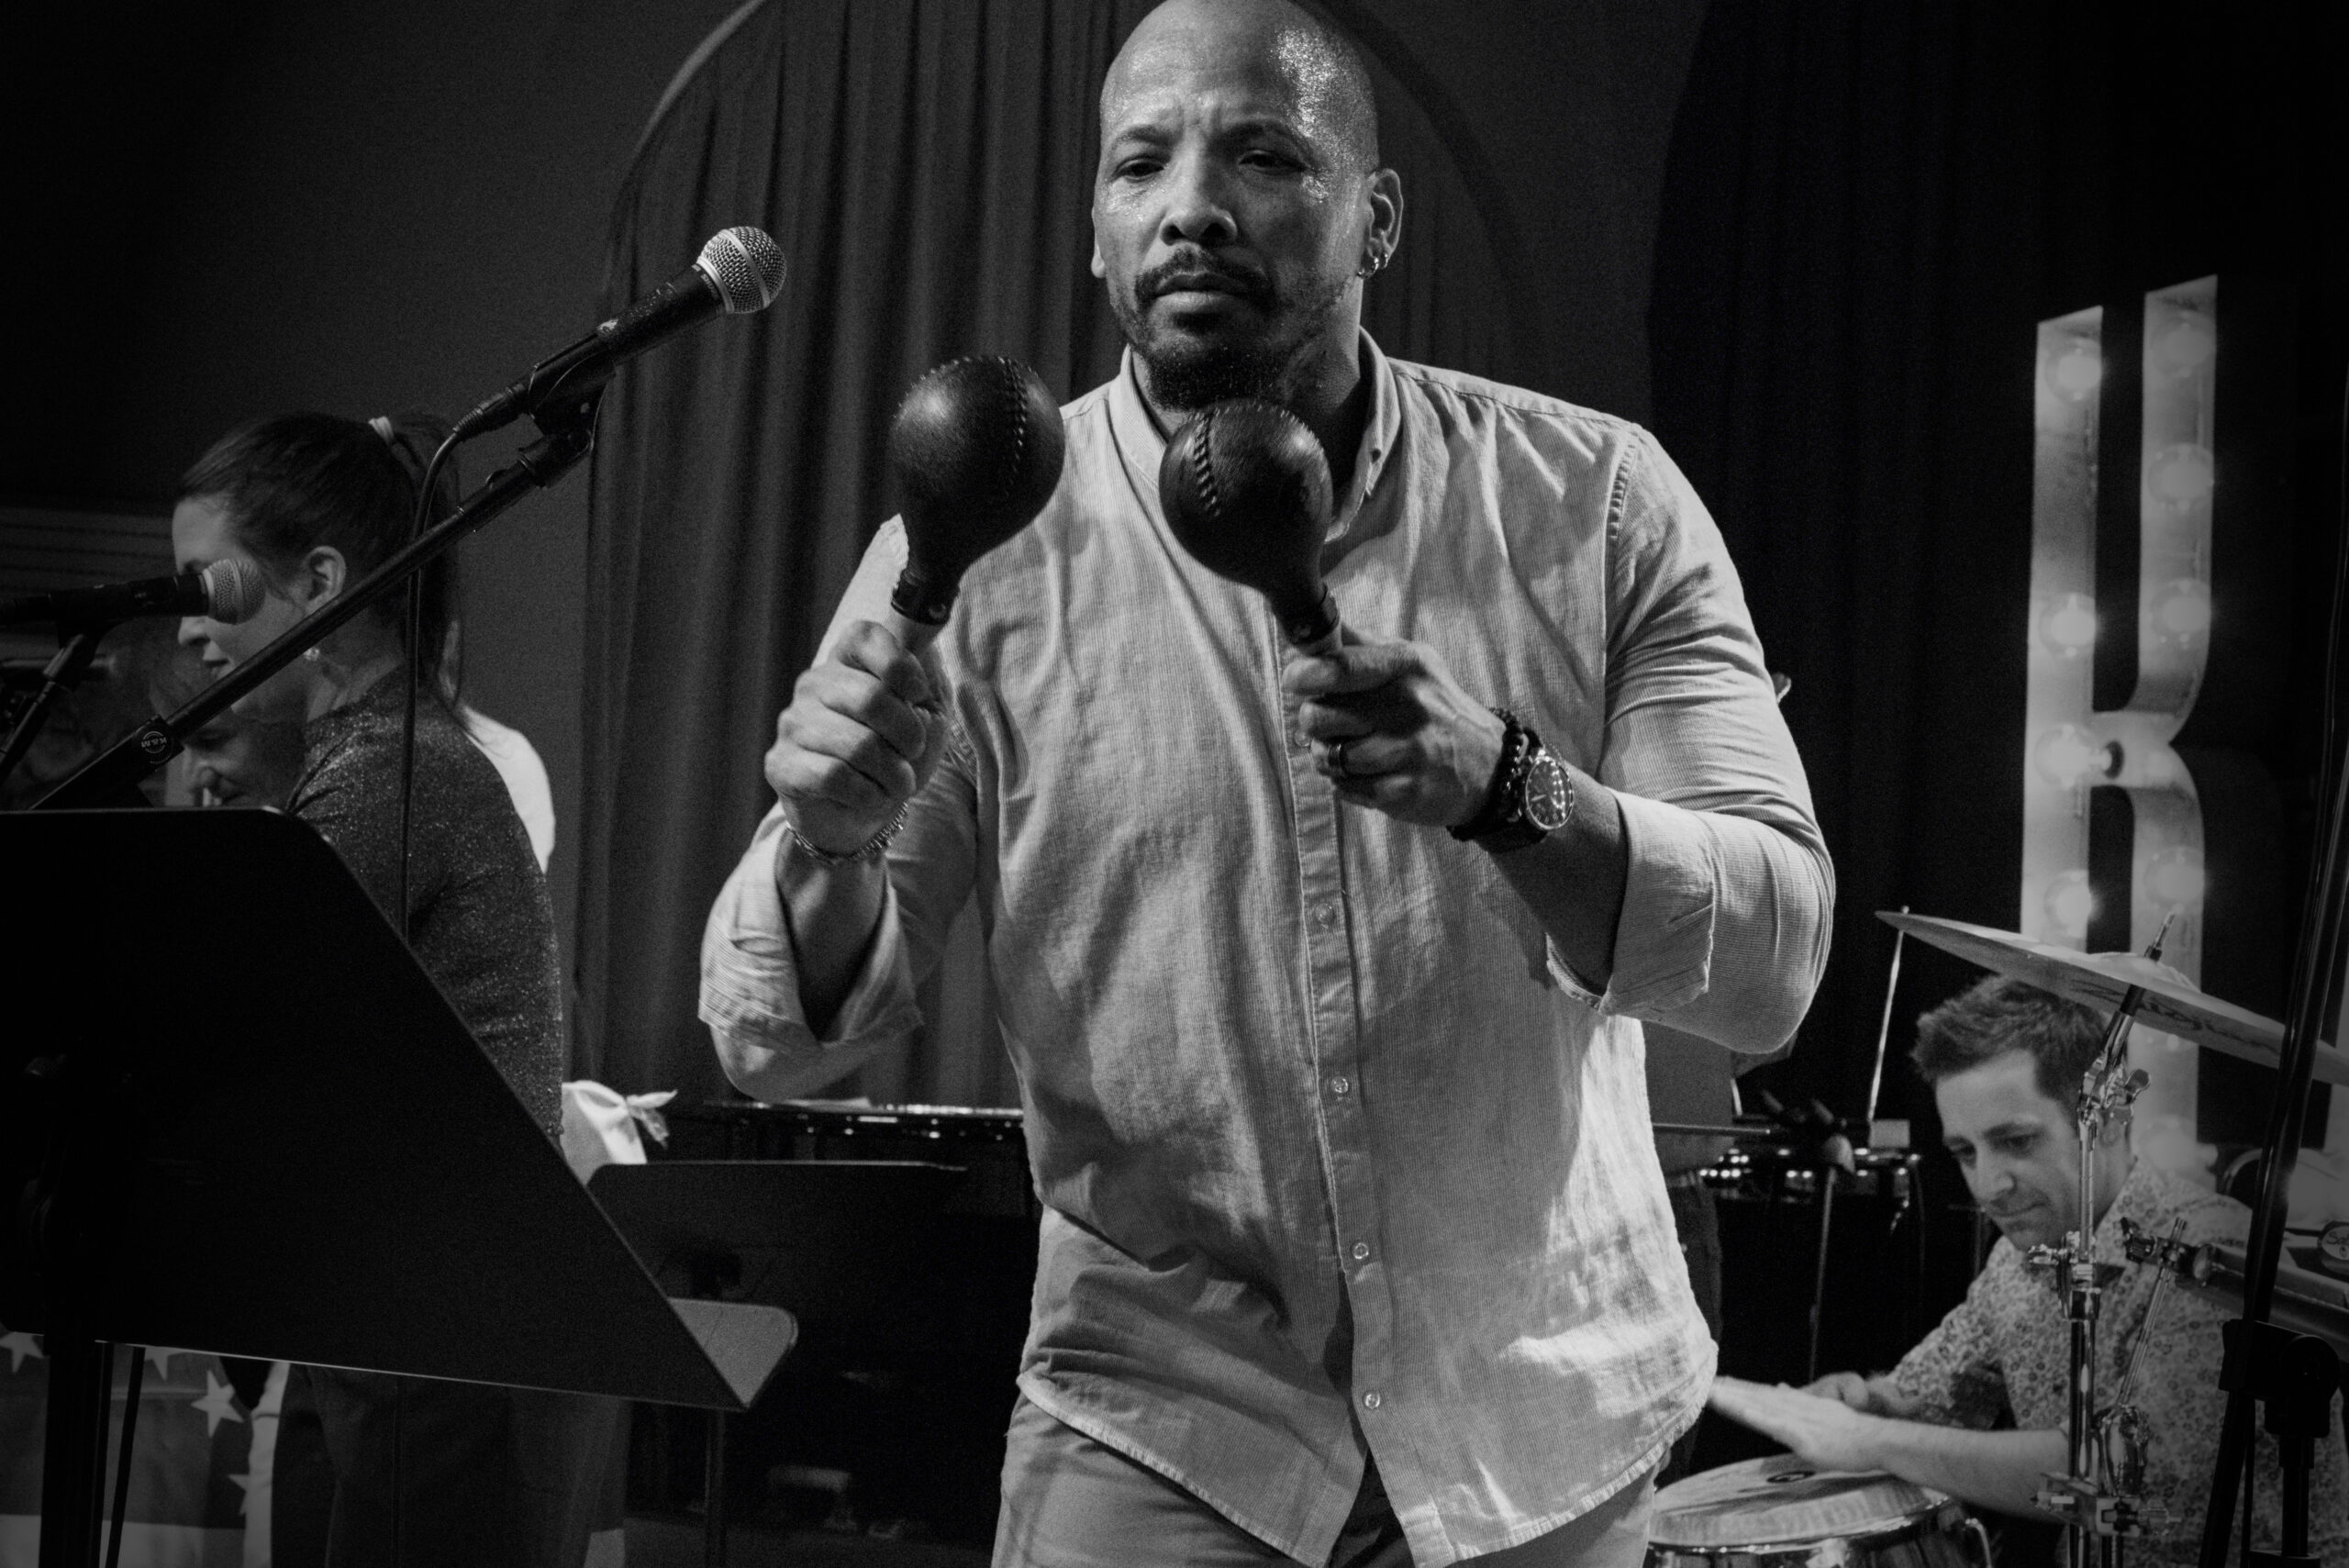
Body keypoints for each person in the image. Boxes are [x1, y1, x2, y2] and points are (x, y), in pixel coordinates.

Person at [702, 2, 1833, 1562]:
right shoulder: (977, 550)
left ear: (1378, 218)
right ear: (1096, 234)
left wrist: (1511, 787)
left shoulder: (1599, 502)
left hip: (1541, 1417)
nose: (1191, 207)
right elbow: (776, 1038)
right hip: (1159, 1416)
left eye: (1263, 155)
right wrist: (827, 848)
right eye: (1139, 165)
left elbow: (1776, 958)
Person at [173, 410, 607, 1568]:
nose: (188, 627)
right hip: (392, 1319)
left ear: (320, 584)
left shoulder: (388, 773)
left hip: (440, 1330)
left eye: (210, 587)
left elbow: (220, 1023)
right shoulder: (374, 760)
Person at [1709, 975, 2349, 1568]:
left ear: (2109, 1120)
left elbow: (2121, 1479)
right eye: (1965, 1152)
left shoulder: (2214, 1249)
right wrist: (1868, 1400)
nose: (1989, 1184)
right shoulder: (2019, 1262)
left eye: (2016, 1141)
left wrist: (1868, 1438)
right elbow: (1932, 1395)